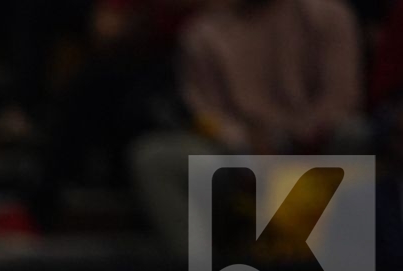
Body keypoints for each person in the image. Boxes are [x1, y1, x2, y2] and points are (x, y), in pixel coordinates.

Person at [128, 0, 366, 257]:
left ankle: (359, 266)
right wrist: (246, 147)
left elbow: (341, 99)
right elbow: (207, 112)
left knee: (356, 134)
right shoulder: (202, 32)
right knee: (154, 158)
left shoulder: (327, 15)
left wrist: (288, 140)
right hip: (237, 157)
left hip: (315, 149)